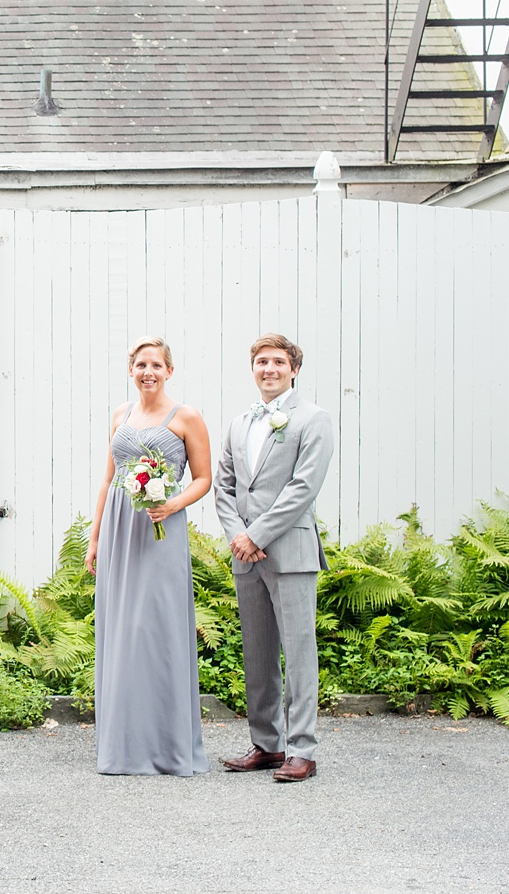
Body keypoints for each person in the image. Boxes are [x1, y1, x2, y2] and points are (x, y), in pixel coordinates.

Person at [86, 336, 213, 776]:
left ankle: (167, 744)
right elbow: (108, 478)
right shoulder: (121, 414)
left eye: (156, 365)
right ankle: (122, 745)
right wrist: (96, 536)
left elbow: (203, 478)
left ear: (169, 370)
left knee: (154, 627)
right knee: (120, 627)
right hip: (120, 529)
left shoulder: (187, 417)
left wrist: (173, 503)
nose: (148, 372)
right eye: (141, 364)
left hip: (161, 527)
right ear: (131, 369)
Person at [215, 333, 335, 783]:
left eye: (278, 362)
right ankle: (266, 744)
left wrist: (258, 533)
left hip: (291, 552)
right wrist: (238, 537)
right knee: (258, 653)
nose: (269, 369)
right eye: (262, 362)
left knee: (300, 653)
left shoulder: (313, 419)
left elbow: (303, 488)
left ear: (294, 369)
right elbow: (224, 487)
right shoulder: (239, 421)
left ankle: (302, 750)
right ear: (253, 369)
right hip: (246, 554)